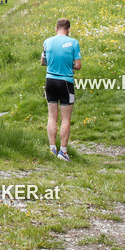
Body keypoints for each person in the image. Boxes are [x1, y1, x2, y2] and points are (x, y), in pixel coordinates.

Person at [42, 18, 81, 161]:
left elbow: (43, 62)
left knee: (52, 116)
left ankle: (52, 148)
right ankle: (63, 151)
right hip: (66, 82)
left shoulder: (47, 41)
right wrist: (69, 65)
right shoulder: (74, 43)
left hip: (50, 81)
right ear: (68, 29)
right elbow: (78, 65)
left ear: (56, 28)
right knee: (65, 118)